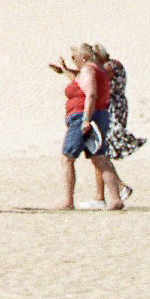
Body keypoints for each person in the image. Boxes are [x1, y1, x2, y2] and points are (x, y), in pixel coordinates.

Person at [52, 45, 126, 210]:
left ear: (83, 58)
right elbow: (81, 82)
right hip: (98, 115)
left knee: (67, 158)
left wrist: (85, 120)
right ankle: (115, 199)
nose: (73, 60)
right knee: (99, 157)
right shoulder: (96, 69)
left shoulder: (88, 70)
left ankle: (67, 200)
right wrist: (64, 69)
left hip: (83, 117)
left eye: (74, 57)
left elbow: (91, 94)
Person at [99, 44, 145, 162]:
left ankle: (130, 145)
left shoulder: (110, 66)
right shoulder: (111, 64)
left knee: (114, 130)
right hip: (116, 103)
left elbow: (97, 76)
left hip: (115, 104)